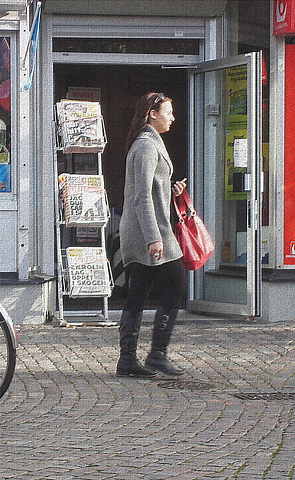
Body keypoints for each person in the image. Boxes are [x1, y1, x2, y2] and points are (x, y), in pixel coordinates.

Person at [116, 92, 187, 377]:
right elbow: (141, 197)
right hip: (150, 231)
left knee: (138, 293)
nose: (172, 117)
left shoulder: (145, 143)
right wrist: (153, 238)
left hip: (143, 229)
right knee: (177, 284)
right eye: (168, 112)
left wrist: (171, 191)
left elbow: (149, 190)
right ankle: (157, 355)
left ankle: (128, 360)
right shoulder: (146, 146)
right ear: (152, 114)